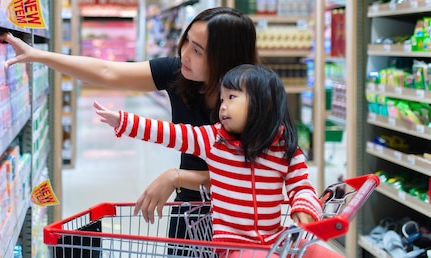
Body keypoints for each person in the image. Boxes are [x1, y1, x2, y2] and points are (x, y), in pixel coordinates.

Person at [0, 7, 259, 226]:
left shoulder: (257, 99)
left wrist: (176, 176)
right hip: (189, 209)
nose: (185, 53)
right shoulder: (179, 73)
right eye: (186, 40)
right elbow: (107, 71)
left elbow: (251, 174)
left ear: (224, 59)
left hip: (238, 216)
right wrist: (38, 55)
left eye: (198, 50)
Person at [94, 64, 344, 258]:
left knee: (324, 253)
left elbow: (301, 185)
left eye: (232, 98)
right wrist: (123, 121)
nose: (223, 107)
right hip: (233, 247)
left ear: (264, 104)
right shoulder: (213, 139)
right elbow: (171, 133)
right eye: (222, 99)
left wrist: (304, 208)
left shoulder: (284, 146)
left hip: (275, 239)